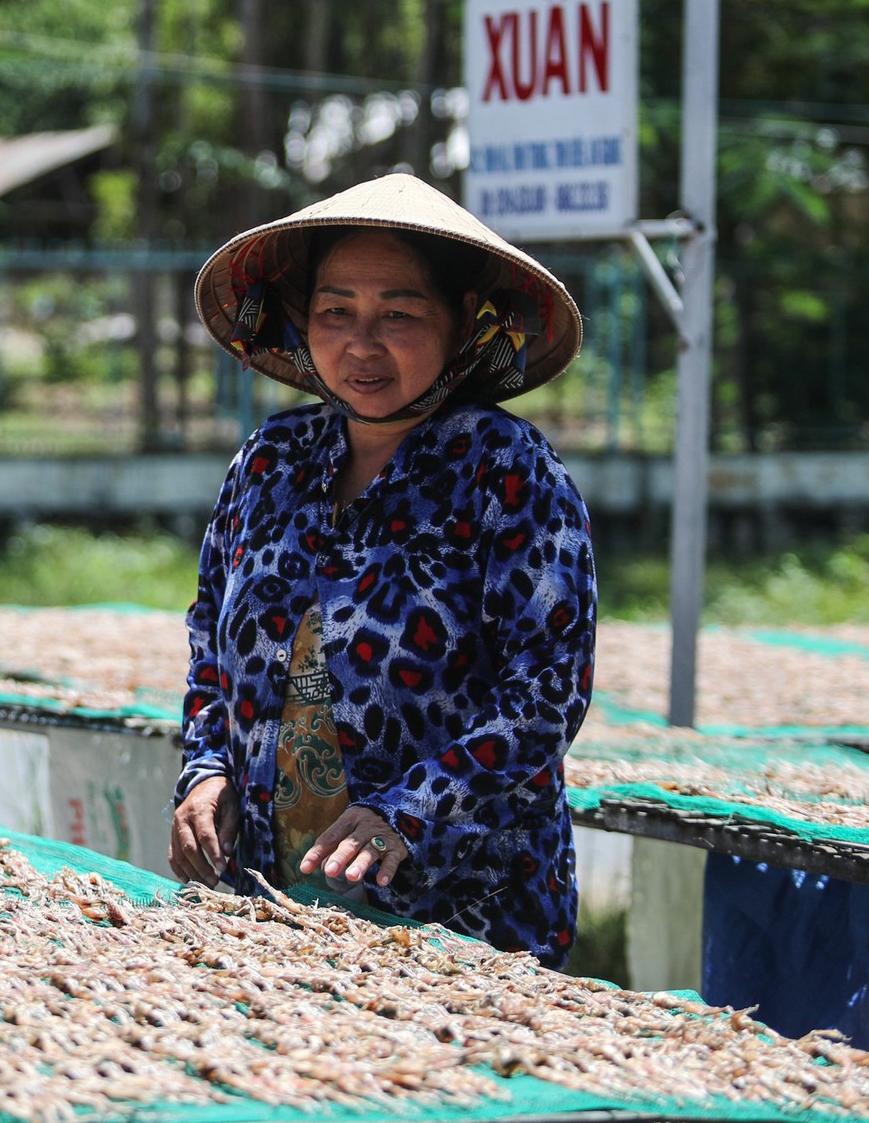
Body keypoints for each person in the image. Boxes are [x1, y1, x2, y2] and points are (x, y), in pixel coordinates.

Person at [167, 174, 596, 968]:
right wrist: (206, 770)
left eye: (398, 313)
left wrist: (410, 811)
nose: (362, 343)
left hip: (463, 916)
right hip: (268, 904)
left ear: (462, 322)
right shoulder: (270, 462)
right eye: (337, 311)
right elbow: (207, 644)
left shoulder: (507, 471)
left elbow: (546, 692)